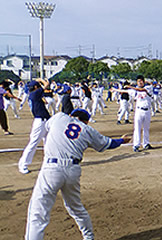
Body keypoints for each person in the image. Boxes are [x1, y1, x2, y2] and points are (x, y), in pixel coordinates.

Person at [24, 109, 131, 240]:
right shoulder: (87, 130)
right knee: (76, 208)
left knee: (38, 213)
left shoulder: (59, 117)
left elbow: (45, 129)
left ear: (71, 116)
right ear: (85, 121)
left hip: (52, 169)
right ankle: (89, 237)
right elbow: (109, 144)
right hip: (73, 171)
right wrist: (122, 140)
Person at [18, 78, 51, 174]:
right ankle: (23, 164)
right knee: (33, 142)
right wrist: (41, 79)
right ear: (36, 87)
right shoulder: (34, 94)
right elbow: (47, 84)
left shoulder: (33, 94)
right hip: (39, 121)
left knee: (48, 142)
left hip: (45, 120)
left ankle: (48, 162)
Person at [113, 75, 154, 152]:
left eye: (141, 81)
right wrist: (115, 90)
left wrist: (130, 87)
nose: (140, 82)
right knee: (137, 128)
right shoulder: (134, 91)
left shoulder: (148, 88)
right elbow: (125, 91)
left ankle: (146, 143)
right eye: (138, 81)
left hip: (147, 110)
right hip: (139, 110)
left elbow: (141, 90)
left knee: (146, 128)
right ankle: (136, 145)